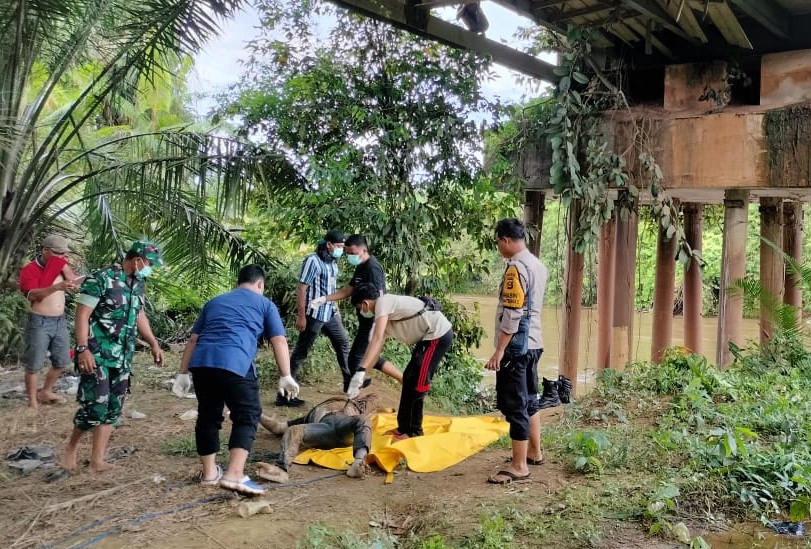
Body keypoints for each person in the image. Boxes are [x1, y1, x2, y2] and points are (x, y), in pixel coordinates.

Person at [173, 264, 299, 497]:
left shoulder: (215, 302)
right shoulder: (265, 304)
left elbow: (193, 339)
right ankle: (235, 474)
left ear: (238, 282)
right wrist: (286, 375)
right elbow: (279, 340)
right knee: (248, 414)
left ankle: (210, 474)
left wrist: (182, 372)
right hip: (235, 362)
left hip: (202, 362)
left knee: (208, 415)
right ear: (260, 284)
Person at [61, 240, 164, 473]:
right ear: (137, 260)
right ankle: (71, 448)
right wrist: (82, 348)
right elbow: (82, 316)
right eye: (149, 264)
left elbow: (139, 315)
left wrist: (153, 343)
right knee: (94, 406)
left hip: (123, 357)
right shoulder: (101, 279)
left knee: (113, 408)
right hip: (96, 355)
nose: (151, 268)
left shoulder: (137, 283)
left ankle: (97, 461)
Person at [346, 283, 453, 440]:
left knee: (418, 381)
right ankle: (403, 427)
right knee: (409, 377)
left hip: (438, 334)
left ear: (365, 304)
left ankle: (414, 431)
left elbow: (376, 339)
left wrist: (361, 370)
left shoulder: (383, 303)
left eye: (360, 308)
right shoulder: (381, 319)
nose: (362, 312)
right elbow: (374, 350)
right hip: (426, 338)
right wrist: (360, 378)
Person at [485, 218, 547, 485]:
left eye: (498, 242)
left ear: (505, 240)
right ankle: (534, 452)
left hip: (517, 347)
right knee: (530, 398)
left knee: (515, 403)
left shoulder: (515, 268)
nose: (499, 247)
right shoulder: (537, 264)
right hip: (535, 343)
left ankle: (519, 465)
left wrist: (500, 350)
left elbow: (512, 313)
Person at [308, 234, 402, 388]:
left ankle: (356, 391)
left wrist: (378, 324)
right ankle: (400, 379)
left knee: (354, 359)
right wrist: (325, 299)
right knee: (367, 356)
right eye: (348, 254)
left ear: (364, 250)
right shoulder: (361, 266)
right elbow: (348, 291)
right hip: (365, 320)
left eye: (353, 253)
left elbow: (381, 298)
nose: (350, 257)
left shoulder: (372, 268)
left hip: (372, 321)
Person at [283, 230, 351, 407]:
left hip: (329, 312)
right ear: (328, 245)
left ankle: (350, 383)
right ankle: (285, 394)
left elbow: (331, 289)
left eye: (342, 247)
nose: (340, 250)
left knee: (343, 342)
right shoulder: (312, 260)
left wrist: (337, 311)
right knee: (301, 351)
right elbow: (301, 288)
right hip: (313, 314)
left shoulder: (333, 262)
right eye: (338, 247)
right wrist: (301, 316)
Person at [18, 234, 82, 408]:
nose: (62, 257)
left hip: (59, 321)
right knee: (35, 364)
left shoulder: (61, 265)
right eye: (58, 253)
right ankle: (32, 401)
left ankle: (46, 392)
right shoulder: (30, 269)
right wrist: (56, 287)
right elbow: (33, 295)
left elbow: (74, 282)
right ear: (45, 251)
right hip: (39, 321)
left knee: (62, 361)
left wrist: (73, 281)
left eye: (64, 253)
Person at [257, 393, 379, 481]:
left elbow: (375, 397)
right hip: (324, 428)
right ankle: (282, 469)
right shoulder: (309, 416)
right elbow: (277, 427)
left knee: (362, 420)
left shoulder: (357, 407)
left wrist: (356, 391)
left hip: (345, 425)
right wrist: (255, 411)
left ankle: (358, 463)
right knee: (294, 430)